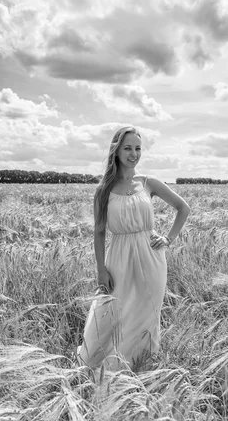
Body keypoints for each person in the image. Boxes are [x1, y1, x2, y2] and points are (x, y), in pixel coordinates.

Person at [78, 125, 190, 371]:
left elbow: (183, 208)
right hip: (118, 258)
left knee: (146, 315)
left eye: (138, 148)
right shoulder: (103, 190)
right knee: (114, 313)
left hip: (151, 259)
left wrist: (168, 239)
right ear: (116, 151)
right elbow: (98, 233)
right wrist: (101, 271)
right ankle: (107, 367)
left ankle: (141, 368)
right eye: (127, 148)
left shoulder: (148, 183)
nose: (133, 154)